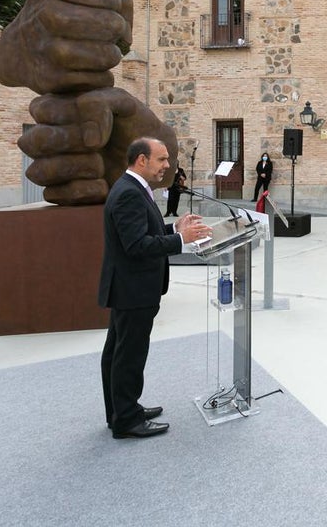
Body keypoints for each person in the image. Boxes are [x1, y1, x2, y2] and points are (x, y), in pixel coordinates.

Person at [100, 137, 212, 439]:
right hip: (133, 287)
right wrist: (181, 240)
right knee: (129, 355)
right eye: (161, 159)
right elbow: (137, 246)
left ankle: (121, 410)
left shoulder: (131, 188)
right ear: (141, 160)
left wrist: (174, 229)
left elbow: (140, 232)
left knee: (118, 351)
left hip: (129, 286)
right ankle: (126, 419)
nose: (167, 166)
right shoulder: (129, 194)